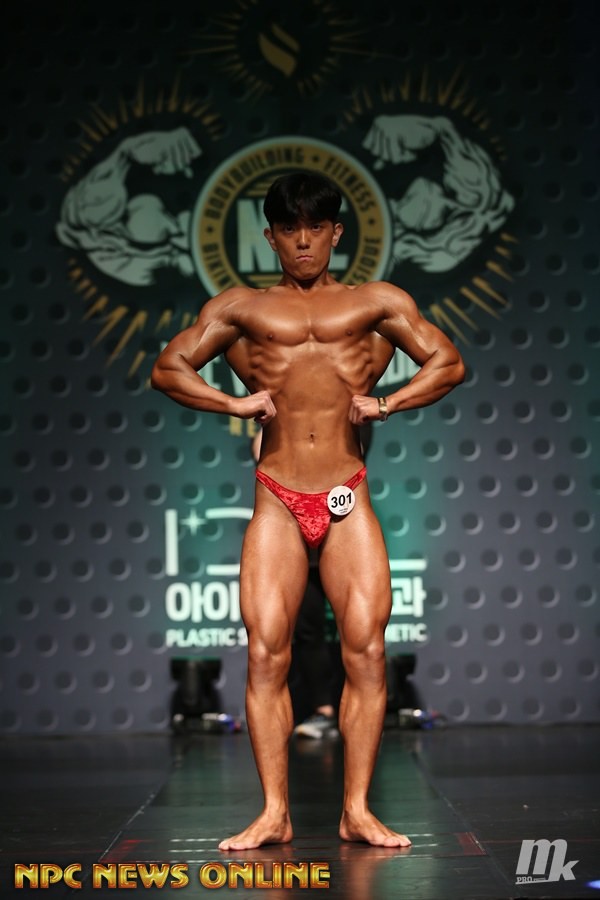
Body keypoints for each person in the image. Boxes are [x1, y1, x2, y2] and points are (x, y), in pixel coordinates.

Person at [151, 171, 465, 850]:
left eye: (315, 227)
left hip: (347, 494)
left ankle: (356, 810)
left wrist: (387, 403)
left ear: (335, 233)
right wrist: (232, 402)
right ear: (269, 237)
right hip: (278, 498)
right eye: (289, 229)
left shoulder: (376, 303)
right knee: (266, 653)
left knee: (368, 651)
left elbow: (447, 363)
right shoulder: (242, 308)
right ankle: (275, 813)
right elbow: (168, 368)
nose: (302, 241)